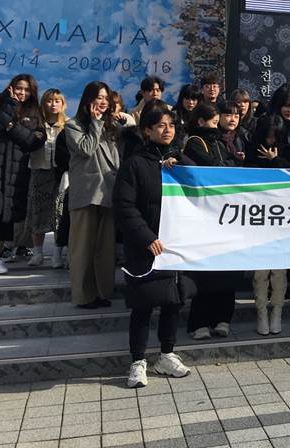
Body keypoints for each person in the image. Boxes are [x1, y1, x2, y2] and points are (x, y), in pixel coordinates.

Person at [113, 104, 192, 388]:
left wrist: (179, 160)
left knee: (173, 302)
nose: (167, 129)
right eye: (160, 125)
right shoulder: (134, 163)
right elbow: (124, 206)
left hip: (174, 245)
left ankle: (166, 355)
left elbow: (201, 186)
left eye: (171, 124)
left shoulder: (177, 162)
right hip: (145, 246)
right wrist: (146, 237)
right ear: (147, 130)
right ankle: (138, 361)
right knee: (143, 306)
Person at [0, 76, 46, 279]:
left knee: (6, 217)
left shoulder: (34, 113)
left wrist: (11, 126)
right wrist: (10, 104)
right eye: (19, 88)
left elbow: (33, 141)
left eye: (27, 90)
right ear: (11, 87)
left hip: (15, 171)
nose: (22, 93)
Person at [65, 82, 127, 307]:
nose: (103, 102)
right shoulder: (73, 125)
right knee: (82, 248)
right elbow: (86, 149)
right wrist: (95, 123)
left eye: (106, 98)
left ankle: (102, 292)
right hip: (86, 194)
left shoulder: (111, 127)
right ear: (88, 99)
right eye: (98, 97)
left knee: (104, 249)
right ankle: (83, 296)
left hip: (108, 193)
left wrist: (119, 122)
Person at [183, 102, 238, 338]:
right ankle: (200, 323)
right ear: (201, 121)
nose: (218, 126)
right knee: (205, 272)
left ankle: (223, 318)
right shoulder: (195, 142)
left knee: (226, 269)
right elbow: (212, 166)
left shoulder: (220, 142)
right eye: (214, 122)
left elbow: (232, 164)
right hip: (204, 212)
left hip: (223, 210)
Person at [25, 89, 67, 268]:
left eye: (57, 101)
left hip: (60, 174)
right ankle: (37, 253)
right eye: (49, 101)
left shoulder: (68, 124)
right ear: (43, 104)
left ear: (63, 104)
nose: (53, 104)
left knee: (59, 213)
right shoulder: (35, 124)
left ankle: (57, 255)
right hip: (39, 171)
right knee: (37, 212)